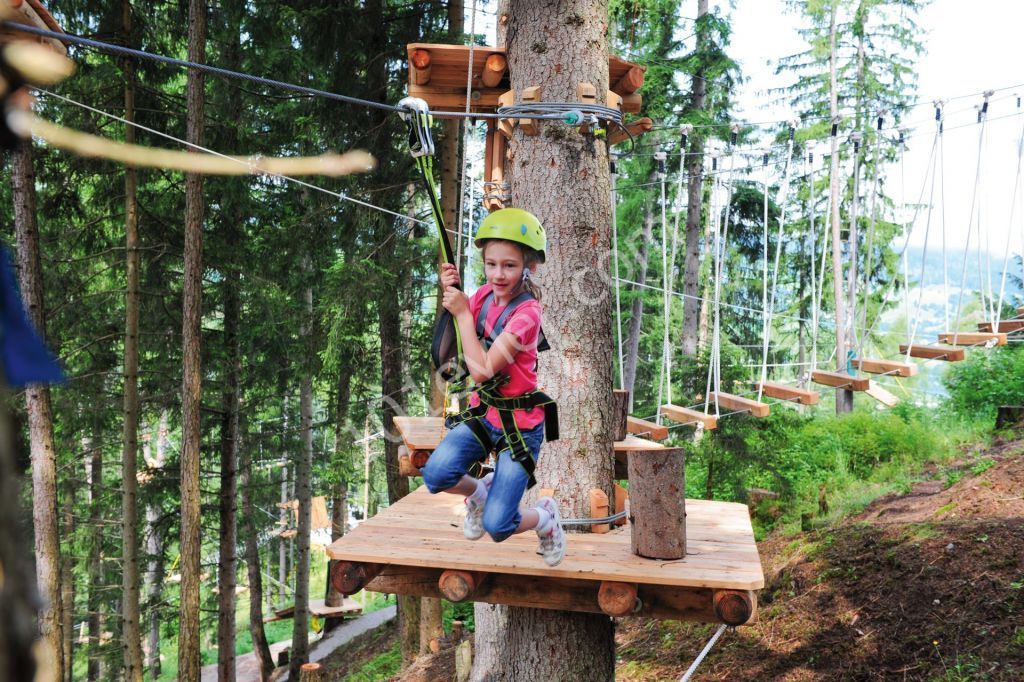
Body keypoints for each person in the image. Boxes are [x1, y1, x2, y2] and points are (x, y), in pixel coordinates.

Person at [420, 208, 566, 567]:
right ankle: (480, 491)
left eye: (510, 266)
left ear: (528, 266)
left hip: (520, 427)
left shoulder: (528, 315)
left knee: (499, 526)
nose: (498, 274)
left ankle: (545, 518)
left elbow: (483, 370)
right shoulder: (482, 297)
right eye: (491, 264)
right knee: (437, 474)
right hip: (484, 415)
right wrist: (451, 296)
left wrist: (463, 315)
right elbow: (449, 349)